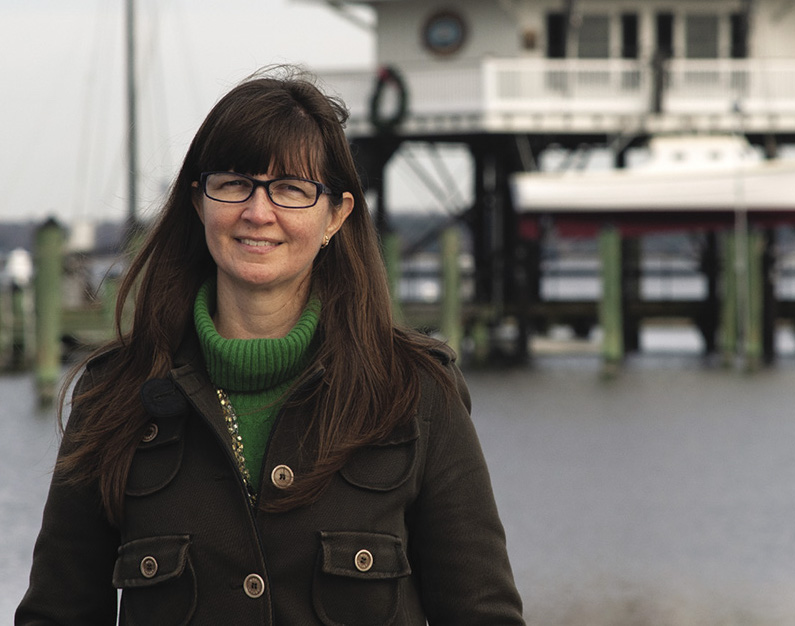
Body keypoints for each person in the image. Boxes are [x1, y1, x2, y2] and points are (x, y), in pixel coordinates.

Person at [16, 66, 525, 625]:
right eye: (234, 183)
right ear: (198, 201)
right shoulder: (115, 398)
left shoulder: (416, 394)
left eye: (290, 189)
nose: (258, 212)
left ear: (336, 215)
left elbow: (484, 614)